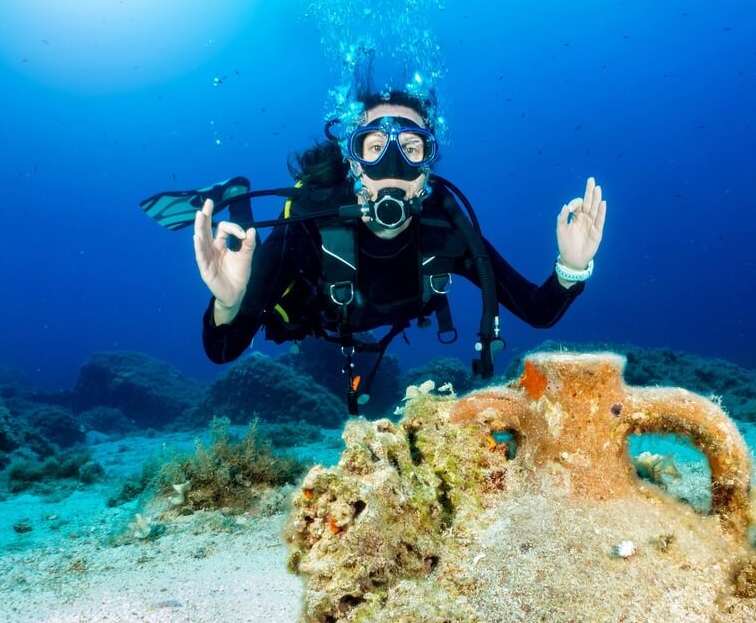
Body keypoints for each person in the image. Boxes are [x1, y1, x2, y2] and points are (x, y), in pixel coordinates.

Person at [191, 89, 607, 413]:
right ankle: (237, 198)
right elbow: (223, 351)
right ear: (352, 163)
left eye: (411, 149)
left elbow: (538, 311)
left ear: (428, 166)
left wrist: (573, 266)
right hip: (315, 317)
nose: (393, 166)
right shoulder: (309, 228)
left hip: (360, 311)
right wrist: (227, 303)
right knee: (244, 253)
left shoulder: (447, 230)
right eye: (374, 148)